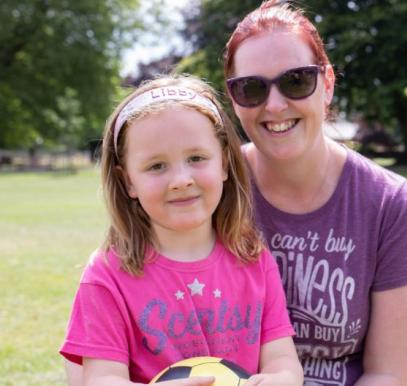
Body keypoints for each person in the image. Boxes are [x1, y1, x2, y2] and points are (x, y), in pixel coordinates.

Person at [222, 1, 407, 385]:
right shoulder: (213, 190)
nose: (274, 105)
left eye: (296, 81)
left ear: (328, 84)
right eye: (251, 88)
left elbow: (386, 374)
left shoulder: (388, 203)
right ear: (233, 99)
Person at [60, 75, 303, 386]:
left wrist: (280, 379)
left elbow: (283, 360)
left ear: (225, 164)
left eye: (196, 158)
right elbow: (101, 380)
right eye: (157, 166)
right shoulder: (107, 276)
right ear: (128, 181)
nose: (181, 179)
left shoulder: (254, 260)